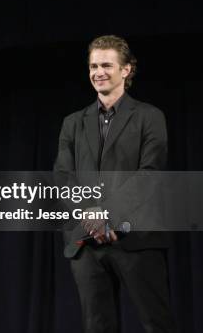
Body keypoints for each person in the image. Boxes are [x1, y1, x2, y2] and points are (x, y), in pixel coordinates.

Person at [53, 35, 176, 332]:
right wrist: (87, 214)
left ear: (126, 70)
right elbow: (62, 175)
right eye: (94, 65)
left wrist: (104, 213)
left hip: (136, 240)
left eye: (107, 65)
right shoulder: (73, 122)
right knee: (97, 326)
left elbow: (149, 174)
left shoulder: (149, 116)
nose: (99, 72)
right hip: (86, 241)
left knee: (155, 323)